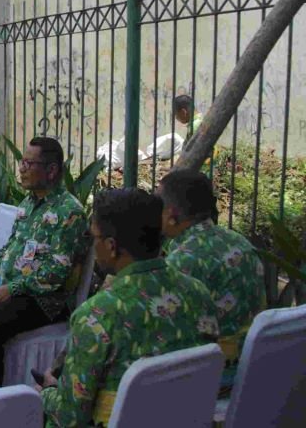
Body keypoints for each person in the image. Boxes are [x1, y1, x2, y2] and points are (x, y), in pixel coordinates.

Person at [39, 189, 220, 427]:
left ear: (112, 246)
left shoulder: (97, 316)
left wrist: (47, 392)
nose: (93, 245)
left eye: (94, 237)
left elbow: (70, 417)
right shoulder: (199, 295)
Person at [0, 137, 88, 390]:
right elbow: (9, 246)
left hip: (44, 300)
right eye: (21, 162)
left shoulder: (70, 212)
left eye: (28, 163)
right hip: (9, 285)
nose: (20, 169)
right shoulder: (27, 204)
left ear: (52, 170)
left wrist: (11, 289)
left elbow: (56, 273)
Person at [158, 169, 265, 391]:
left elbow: (168, 334)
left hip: (212, 378)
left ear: (171, 214)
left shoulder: (182, 261)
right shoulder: (241, 243)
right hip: (255, 367)